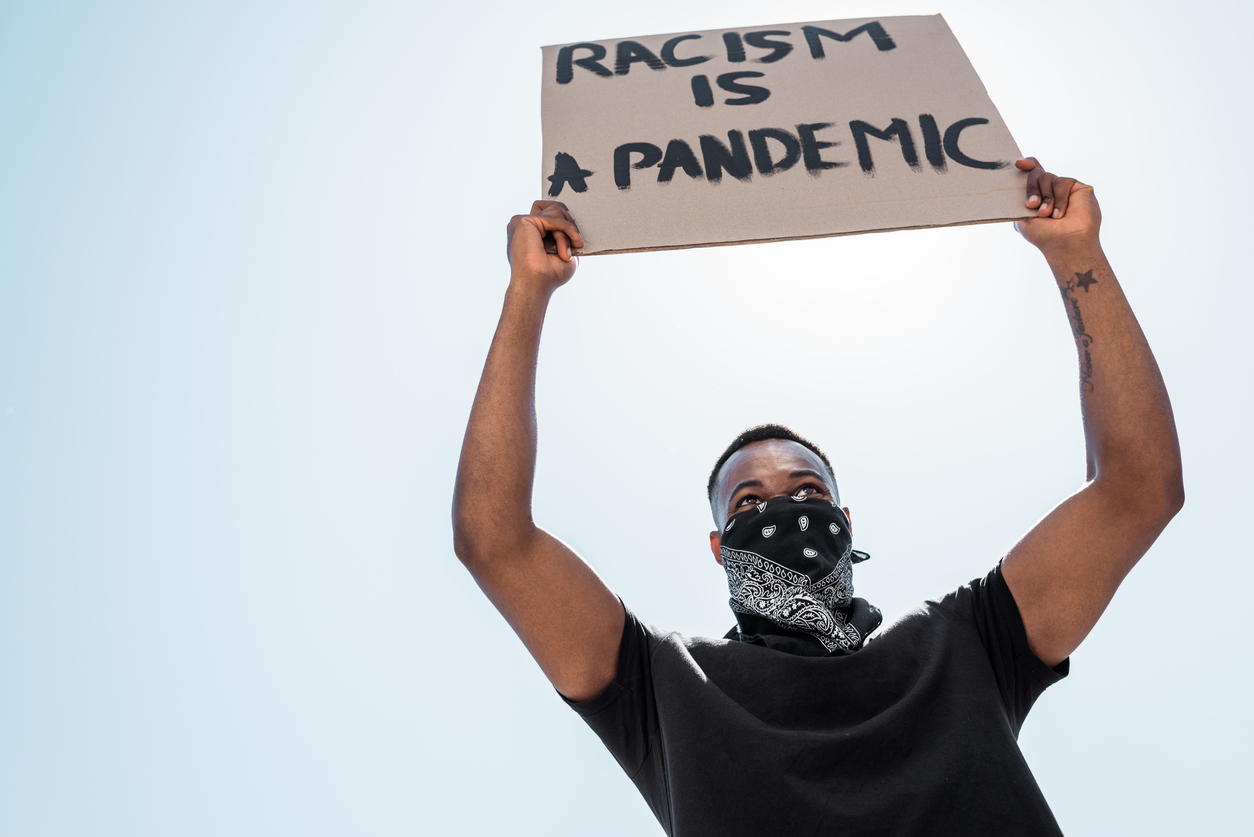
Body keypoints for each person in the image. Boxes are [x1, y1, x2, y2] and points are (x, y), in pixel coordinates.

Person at [451, 158, 1183, 835]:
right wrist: (527, 294)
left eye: (806, 491)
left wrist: (1076, 255)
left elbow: (1137, 488)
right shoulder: (663, 684)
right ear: (718, 546)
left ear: (843, 519)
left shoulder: (964, 642)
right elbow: (494, 539)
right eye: (748, 504)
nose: (780, 511)